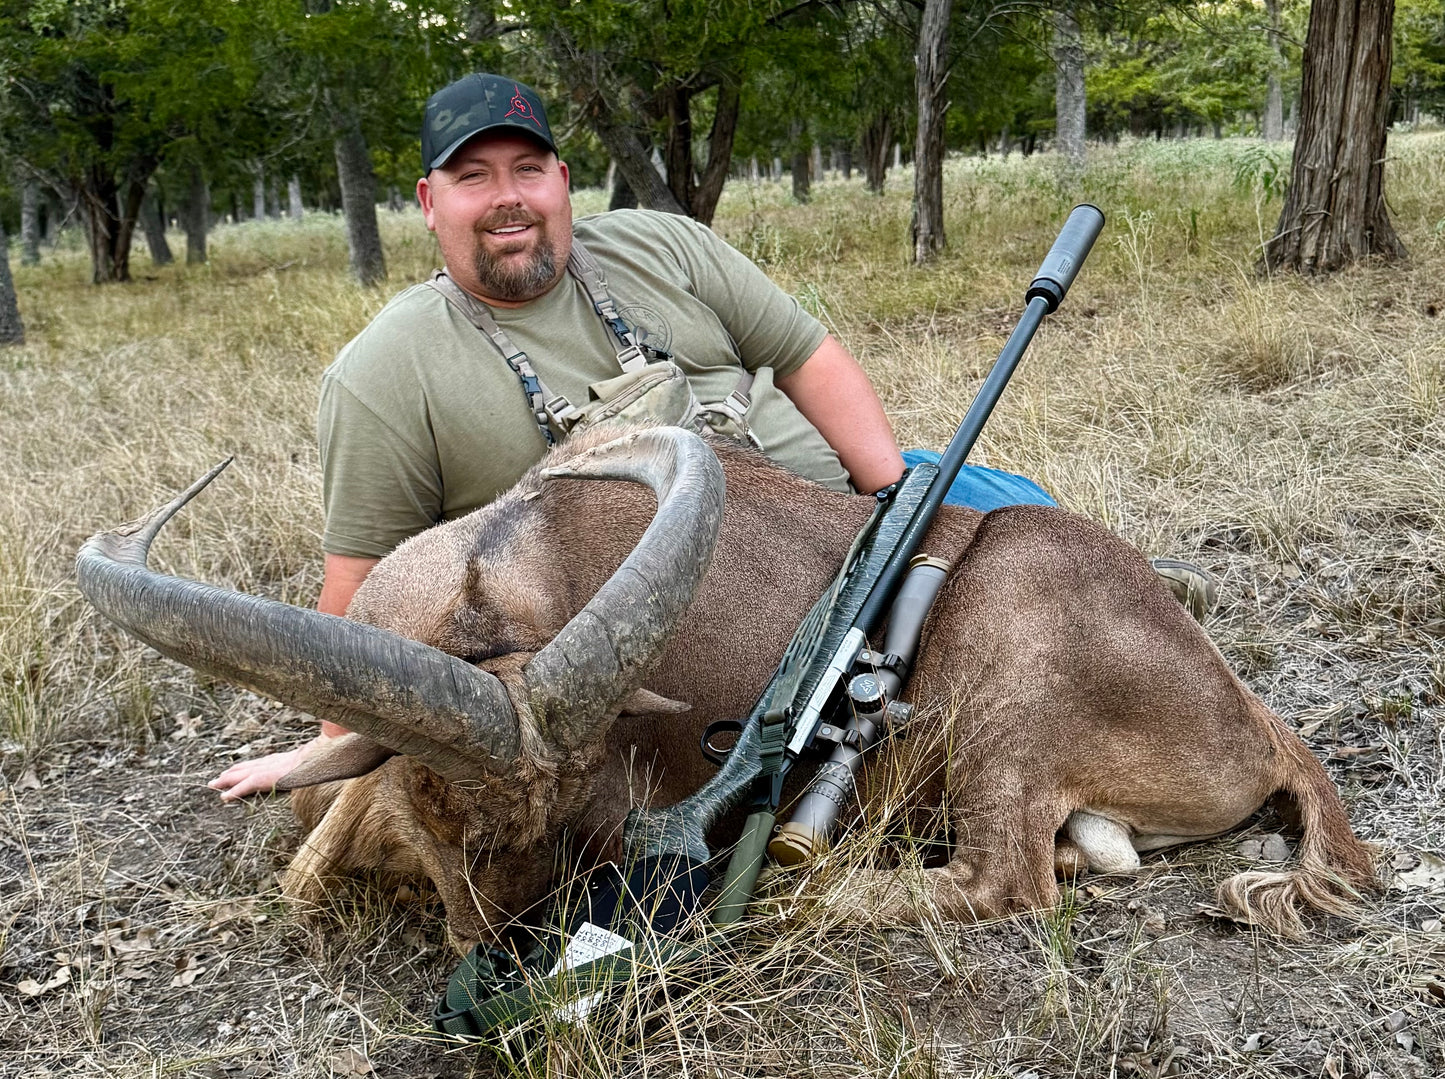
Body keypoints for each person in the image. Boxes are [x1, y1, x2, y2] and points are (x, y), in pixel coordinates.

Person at [210, 73, 1211, 801]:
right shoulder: (384, 373)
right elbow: (361, 582)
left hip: (843, 513)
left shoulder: (660, 245)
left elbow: (808, 356)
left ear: (562, 179)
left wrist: (890, 500)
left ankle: (1145, 626)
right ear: (429, 204)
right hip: (714, 616)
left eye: (527, 168)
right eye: (473, 177)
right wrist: (336, 748)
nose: (507, 195)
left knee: (1049, 533)